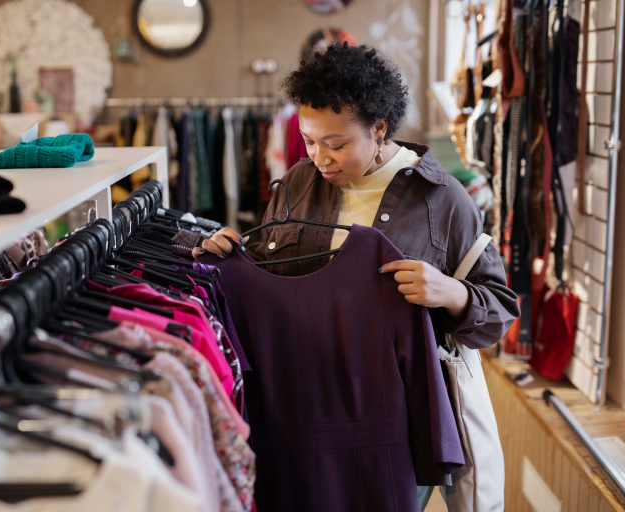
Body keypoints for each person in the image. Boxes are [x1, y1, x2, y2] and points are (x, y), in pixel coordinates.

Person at [194, 43, 520, 509]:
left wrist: (453, 294)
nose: (320, 157)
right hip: (296, 407)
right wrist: (232, 250)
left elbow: (500, 311)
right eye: (309, 140)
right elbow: (273, 278)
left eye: (336, 143)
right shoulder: (298, 183)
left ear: (380, 128)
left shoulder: (442, 199)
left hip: (395, 420)